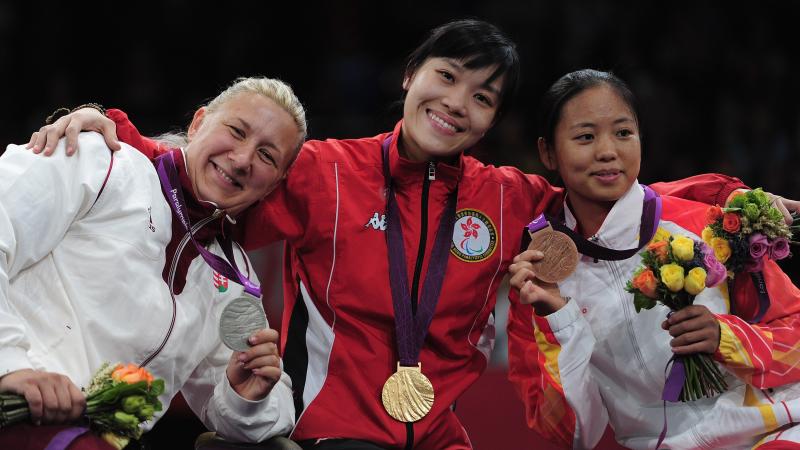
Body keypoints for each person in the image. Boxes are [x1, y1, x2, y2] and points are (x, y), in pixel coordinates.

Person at [28, 21, 779, 450]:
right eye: (447, 77)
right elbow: (217, 171)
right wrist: (115, 130)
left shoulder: (509, 197)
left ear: (495, 121)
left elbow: (610, 190)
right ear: (413, 75)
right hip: (334, 437)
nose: (457, 104)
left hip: (445, 439)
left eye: (481, 98)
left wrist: (732, 202)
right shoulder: (325, 173)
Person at [0, 76, 307, 449]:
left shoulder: (237, 281)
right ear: (198, 124)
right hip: (16, 411)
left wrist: (246, 396)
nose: (242, 160)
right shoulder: (101, 161)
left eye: (267, 155)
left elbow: (247, 418)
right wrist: (11, 364)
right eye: (237, 131)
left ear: (275, 183)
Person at [507, 69, 800, 449]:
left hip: (776, 428)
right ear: (548, 152)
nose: (608, 151)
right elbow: (576, 433)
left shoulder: (703, 224)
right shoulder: (539, 285)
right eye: (585, 137)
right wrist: (560, 319)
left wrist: (727, 337)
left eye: (623, 132)